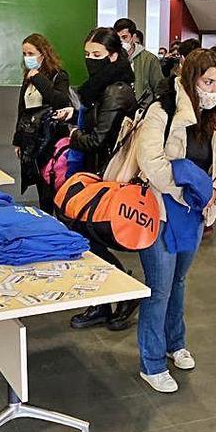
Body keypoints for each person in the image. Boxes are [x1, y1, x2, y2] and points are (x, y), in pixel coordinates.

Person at [134, 49, 216, 392]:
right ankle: (151, 363)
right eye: (206, 81)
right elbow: (152, 163)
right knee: (159, 287)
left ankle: (174, 343)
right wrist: (189, 194)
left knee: (179, 282)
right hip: (161, 210)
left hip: (196, 214)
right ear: (191, 78)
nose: (213, 88)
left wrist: (213, 194)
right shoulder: (162, 111)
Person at [58, 27, 140, 331]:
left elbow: (97, 140)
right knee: (85, 237)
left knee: (88, 238)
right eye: (88, 55)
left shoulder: (116, 89)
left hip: (106, 178)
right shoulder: (99, 87)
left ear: (114, 55)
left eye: (98, 55)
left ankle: (121, 294)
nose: (91, 60)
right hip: (94, 174)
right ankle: (105, 300)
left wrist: (72, 135)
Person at [12, 33, 71, 213]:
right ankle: (45, 218)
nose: (27, 58)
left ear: (43, 54)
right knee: (39, 183)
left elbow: (59, 101)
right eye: (24, 54)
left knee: (52, 182)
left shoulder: (59, 76)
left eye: (31, 53)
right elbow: (22, 110)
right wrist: (18, 140)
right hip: (32, 140)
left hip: (52, 139)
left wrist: (38, 78)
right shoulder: (26, 77)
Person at [114, 18, 163, 99]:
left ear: (133, 37)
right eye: (118, 38)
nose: (121, 42)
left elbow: (159, 88)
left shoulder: (149, 59)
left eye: (124, 37)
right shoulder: (113, 58)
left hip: (142, 107)